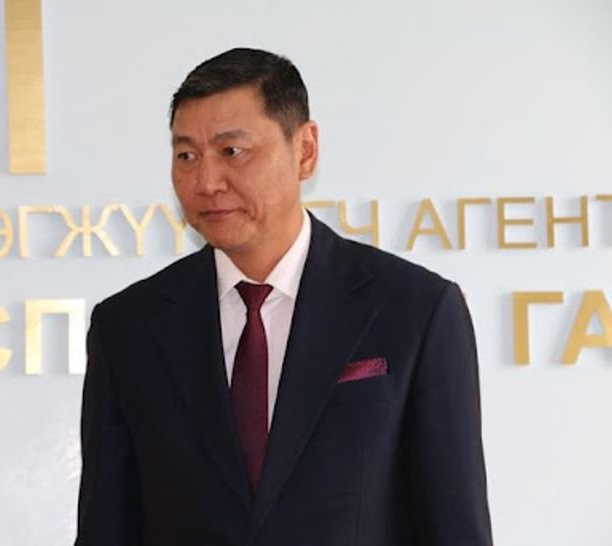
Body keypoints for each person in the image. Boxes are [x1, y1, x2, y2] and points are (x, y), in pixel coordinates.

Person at [75, 48, 492, 546]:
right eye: (187, 156)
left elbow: (455, 527)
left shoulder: (416, 310)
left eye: (232, 152)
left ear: (305, 150)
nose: (206, 182)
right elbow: (106, 529)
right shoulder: (128, 327)